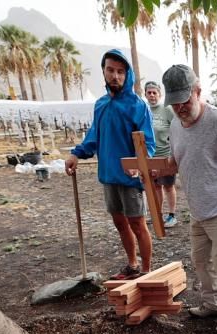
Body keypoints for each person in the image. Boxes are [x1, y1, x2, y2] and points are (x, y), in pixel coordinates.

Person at [153, 64, 217, 334]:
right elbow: (175, 163)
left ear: (198, 92)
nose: (180, 109)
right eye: (174, 104)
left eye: (185, 101)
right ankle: (213, 303)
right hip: (199, 209)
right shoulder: (176, 125)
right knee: (201, 261)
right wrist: (149, 169)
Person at [65, 49, 156, 280]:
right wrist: (76, 154)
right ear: (104, 72)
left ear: (127, 75)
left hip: (130, 177)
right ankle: (132, 264)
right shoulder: (101, 105)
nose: (115, 76)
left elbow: (147, 141)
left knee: (137, 223)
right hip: (108, 175)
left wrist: (139, 163)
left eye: (120, 71)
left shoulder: (138, 105)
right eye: (110, 70)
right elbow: (94, 136)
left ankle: (146, 271)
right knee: (119, 222)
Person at [143, 81, 178, 228]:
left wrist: (173, 154)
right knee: (155, 187)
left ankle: (171, 215)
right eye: (149, 93)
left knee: (168, 186)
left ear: (159, 94)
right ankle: (158, 214)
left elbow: (177, 129)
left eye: (154, 92)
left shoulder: (167, 110)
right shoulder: (143, 110)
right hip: (150, 157)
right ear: (145, 95)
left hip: (165, 155)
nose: (152, 95)